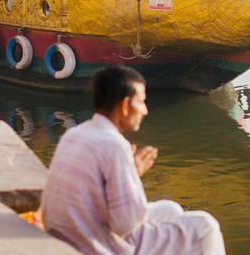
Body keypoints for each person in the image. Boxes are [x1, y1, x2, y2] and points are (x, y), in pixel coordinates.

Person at [40, 65, 226, 255]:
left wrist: (130, 172)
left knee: (171, 209)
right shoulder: (115, 146)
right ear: (124, 105)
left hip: (67, 234)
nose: (145, 110)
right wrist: (133, 177)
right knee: (205, 225)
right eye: (141, 102)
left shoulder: (74, 134)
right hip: (97, 245)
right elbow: (125, 224)